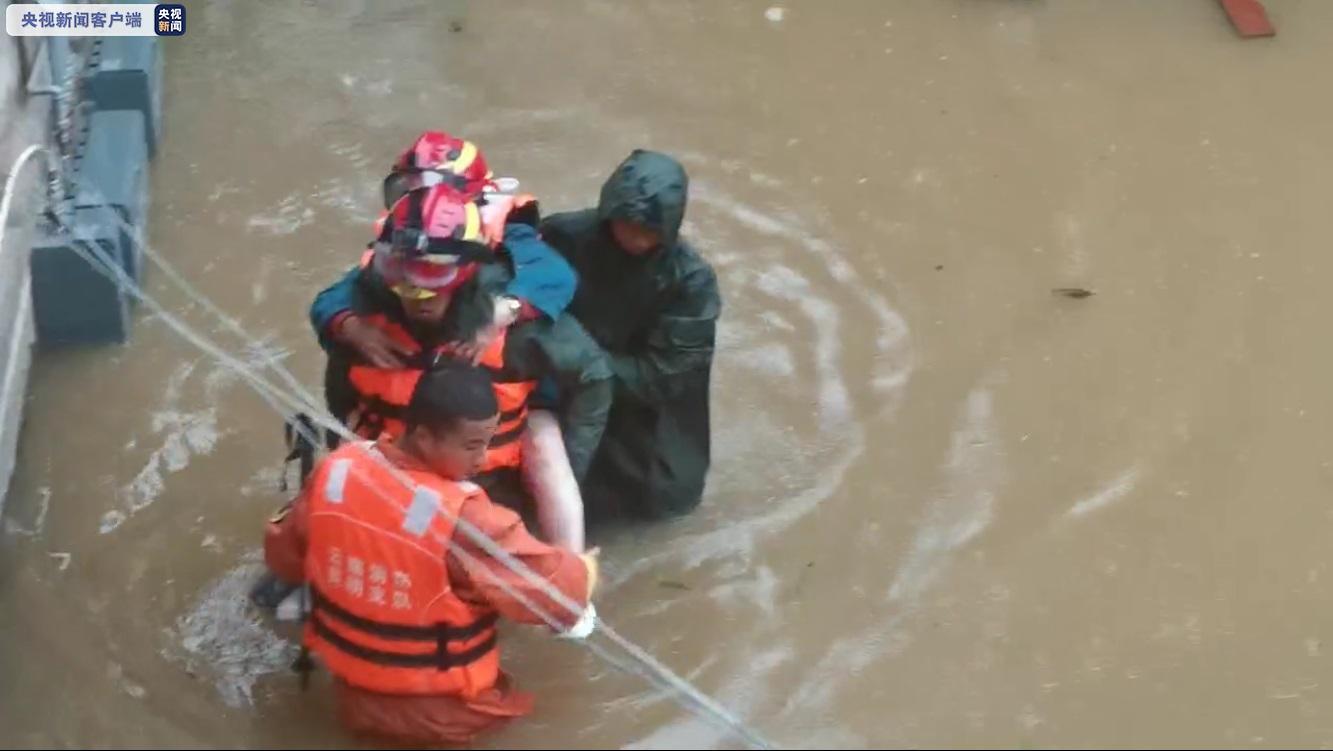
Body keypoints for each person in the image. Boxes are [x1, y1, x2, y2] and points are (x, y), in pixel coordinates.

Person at [263, 363, 599, 746]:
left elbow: (282, 557)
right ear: (423, 437)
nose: (483, 459)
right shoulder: (467, 519)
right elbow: (561, 597)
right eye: (472, 446)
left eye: (487, 444)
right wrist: (585, 569)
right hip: (451, 721)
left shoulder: (334, 472)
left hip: (353, 702)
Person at [311, 184, 610, 551]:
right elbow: (339, 389)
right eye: (406, 283)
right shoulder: (363, 318)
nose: (417, 298)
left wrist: (571, 466)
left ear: (465, 274)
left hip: (493, 481)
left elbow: (593, 377)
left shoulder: (512, 323)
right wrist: (349, 329)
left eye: (431, 283)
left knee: (546, 449)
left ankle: (571, 571)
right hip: (395, 471)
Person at [540, 150, 721, 519]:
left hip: (640, 411)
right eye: (628, 225)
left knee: (659, 501)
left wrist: (578, 362)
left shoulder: (690, 281)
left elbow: (666, 374)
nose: (636, 239)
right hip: (561, 378)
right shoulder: (563, 236)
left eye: (649, 232)